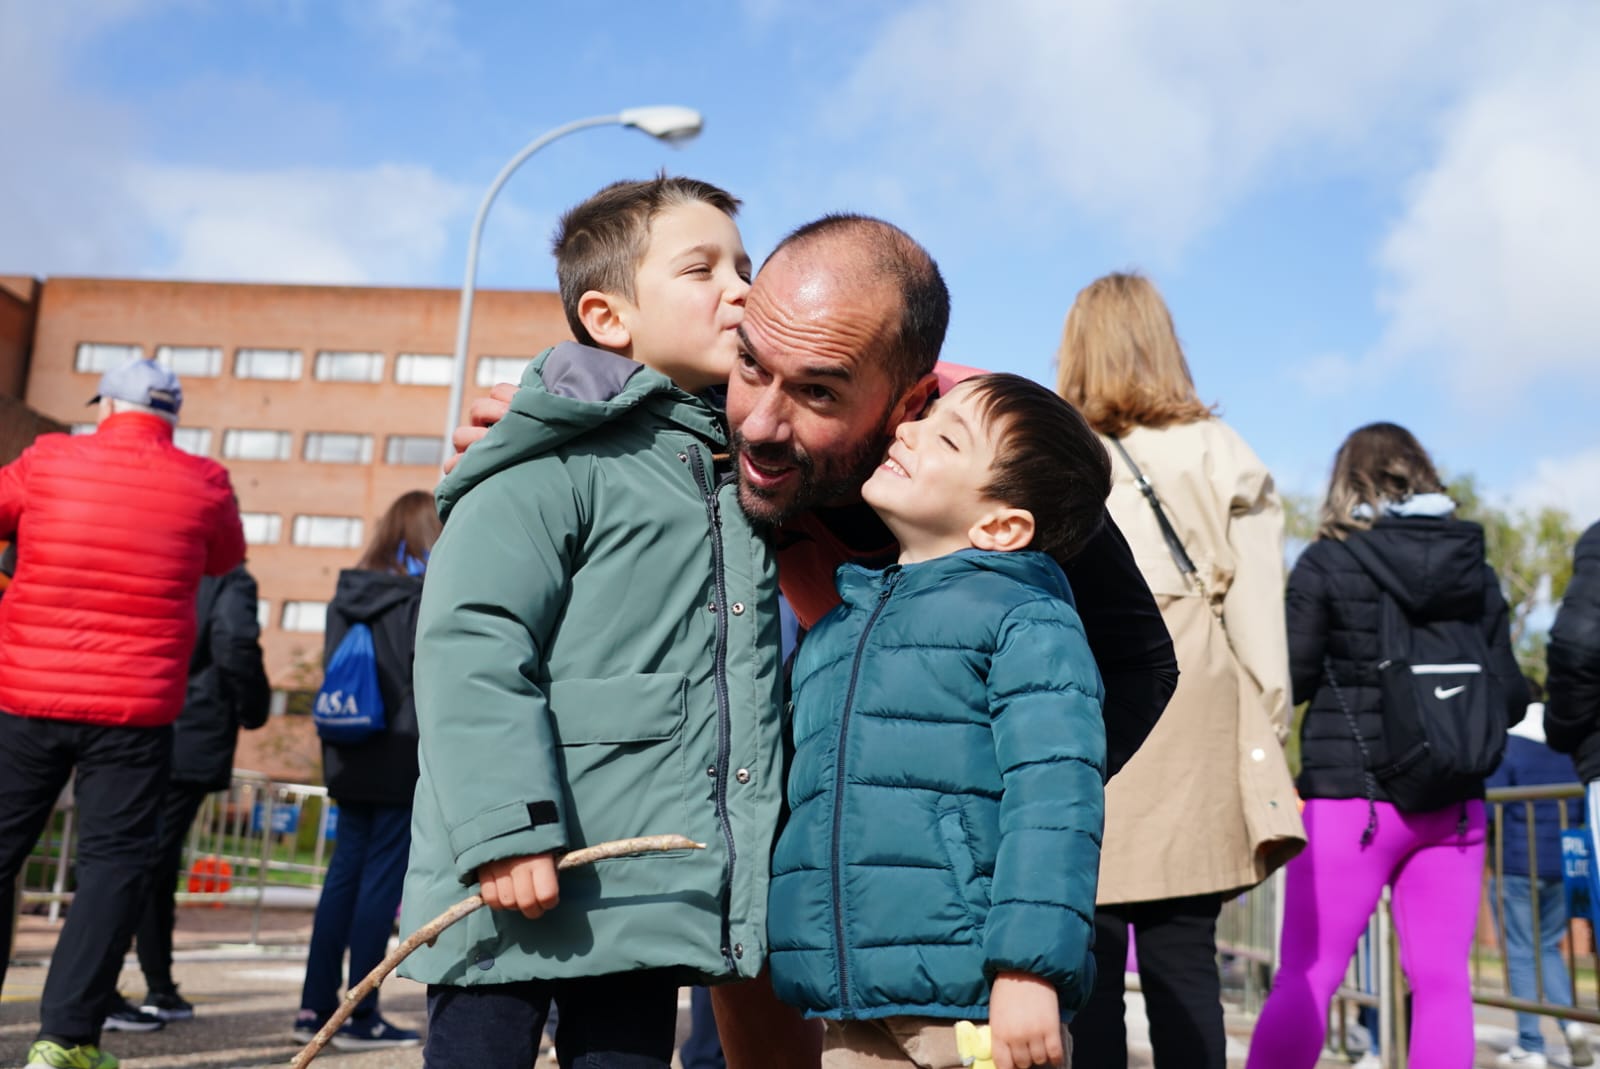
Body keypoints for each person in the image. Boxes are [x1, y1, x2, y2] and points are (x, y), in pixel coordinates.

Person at [448, 211, 1180, 1069]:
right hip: (786, 799)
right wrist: (538, 418)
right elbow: (620, 373)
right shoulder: (711, 412)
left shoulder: (998, 460)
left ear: (908, 404)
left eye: (820, 393)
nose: (757, 423)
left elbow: (1136, 668)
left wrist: (971, 822)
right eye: (750, 365)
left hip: (932, 885)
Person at [400, 175, 779, 1069]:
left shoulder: (740, 469)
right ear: (609, 317)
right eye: (703, 268)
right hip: (515, 869)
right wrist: (507, 827)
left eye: (746, 267)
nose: (742, 289)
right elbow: (473, 641)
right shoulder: (547, 457)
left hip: (644, 883)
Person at [768, 373, 1109, 1069]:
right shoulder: (835, 629)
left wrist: (1029, 970)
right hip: (851, 1000)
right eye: (924, 418)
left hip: (973, 1007)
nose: (907, 431)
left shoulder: (1026, 620)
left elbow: (1055, 805)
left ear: (1000, 525)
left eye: (946, 435)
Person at [1052, 272, 1303, 1068]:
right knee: (1184, 949)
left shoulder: (1055, 445)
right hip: (1194, 687)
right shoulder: (1222, 451)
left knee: (1083, 946)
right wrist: (1264, 721)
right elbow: (1260, 614)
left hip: (1085, 689)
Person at [1246, 422, 1526, 1069]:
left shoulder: (1327, 561)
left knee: (1308, 975)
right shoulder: (1475, 570)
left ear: (1347, 483)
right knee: (1443, 983)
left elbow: (1293, 678)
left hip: (1353, 802)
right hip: (1454, 804)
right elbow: (1509, 696)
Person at [0, 357, 245, 1069]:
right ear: (171, 417)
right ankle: (66, 1040)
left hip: (26, 693)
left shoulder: (48, 459)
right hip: (134, 708)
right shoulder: (204, 482)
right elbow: (224, 554)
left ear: (107, 405)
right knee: (112, 867)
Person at [292, 490, 439, 1049]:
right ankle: (360, 1013)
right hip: (399, 749)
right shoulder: (419, 594)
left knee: (342, 879)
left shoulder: (349, 590)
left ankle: (314, 1007)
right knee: (380, 881)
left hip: (348, 749)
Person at [104, 563, 271, 1031]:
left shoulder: (157, 561)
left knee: (142, 859)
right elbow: (235, 641)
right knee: (143, 864)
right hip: (189, 728)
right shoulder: (226, 577)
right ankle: (99, 988)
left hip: (131, 719)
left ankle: (154, 985)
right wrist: (254, 707)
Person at [1487, 678, 1592, 1068]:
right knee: (1547, 947)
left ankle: (1530, 1044)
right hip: (1561, 863)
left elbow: (1489, 809)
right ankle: (1573, 1027)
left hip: (1517, 862)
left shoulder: (1508, 745)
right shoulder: (1565, 747)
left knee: (1519, 951)